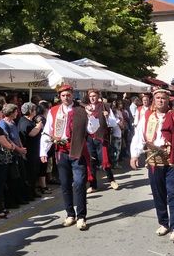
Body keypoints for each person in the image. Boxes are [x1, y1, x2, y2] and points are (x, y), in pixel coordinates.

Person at [130, 88, 174, 244]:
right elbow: (139, 136)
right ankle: (164, 223)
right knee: (158, 194)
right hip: (154, 162)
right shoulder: (147, 117)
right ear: (154, 99)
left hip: (172, 161)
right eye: (157, 97)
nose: (160, 100)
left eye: (163, 98)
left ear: (167, 100)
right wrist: (134, 154)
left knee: (173, 194)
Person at [40, 84, 91, 230]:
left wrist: (92, 116)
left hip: (77, 150)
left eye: (68, 95)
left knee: (79, 183)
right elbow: (47, 130)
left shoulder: (81, 110)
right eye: (63, 95)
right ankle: (70, 214)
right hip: (61, 151)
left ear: (72, 95)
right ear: (60, 97)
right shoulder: (54, 110)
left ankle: (81, 216)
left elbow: (92, 129)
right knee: (65, 184)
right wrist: (43, 151)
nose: (66, 98)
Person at [85, 89, 119, 192]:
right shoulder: (85, 108)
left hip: (101, 137)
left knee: (105, 160)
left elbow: (114, 123)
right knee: (91, 161)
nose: (92, 98)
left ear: (98, 96)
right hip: (89, 138)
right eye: (90, 96)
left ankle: (111, 180)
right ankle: (93, 185)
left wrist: (107, 116)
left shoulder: (105, 106)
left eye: (94, 96)